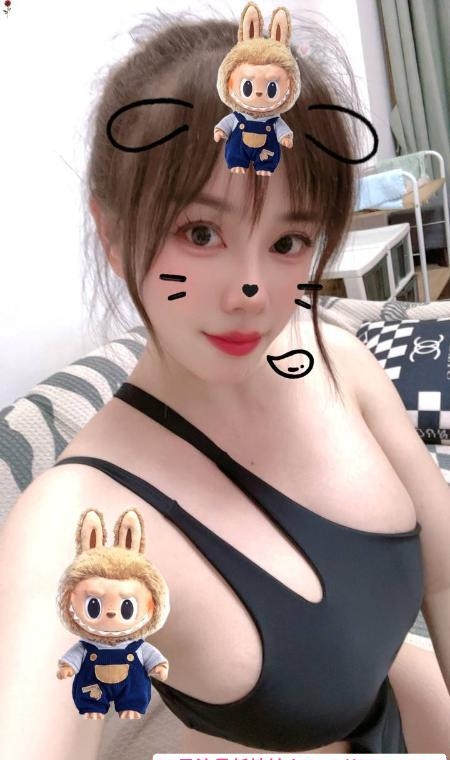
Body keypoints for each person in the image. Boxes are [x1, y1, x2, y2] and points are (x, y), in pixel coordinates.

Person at [0, 9, 449, 760]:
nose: (252, 290)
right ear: (112, 234)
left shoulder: (334, 355)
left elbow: (444, 578)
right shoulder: (80, 521)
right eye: (201, 233)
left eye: (289, 240)